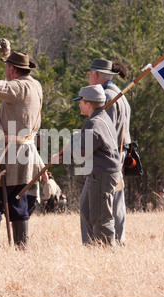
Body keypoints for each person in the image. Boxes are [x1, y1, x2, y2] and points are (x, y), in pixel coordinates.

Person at [0, 37, 43, 249]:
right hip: (25, 153)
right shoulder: (35, 85)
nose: (6, 71)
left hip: (10, 155)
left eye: (7, 67)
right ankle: (22, 251)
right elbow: (10, 82)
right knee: (18, 203)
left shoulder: (18, 89)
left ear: (13, 71)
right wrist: (6, 56)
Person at [85, 58, 131, 245]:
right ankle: (118, 242)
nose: (88, 76)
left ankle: (95, 244)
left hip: (107, 157)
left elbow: (103, 131)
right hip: (118, 154)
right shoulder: (119, 94)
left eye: (90, 73)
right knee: (115, 201)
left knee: (89, 204)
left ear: (97, 75)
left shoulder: (107, 97)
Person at [71, 84, 122, 246]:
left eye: (80, 101)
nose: (79, 104)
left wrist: (74, 139)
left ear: (88, 103)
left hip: (102, 175)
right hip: (100, 173)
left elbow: (81, 153)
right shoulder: (102, 119)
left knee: (101, 216)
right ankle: (94, 248)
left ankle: (106, 254)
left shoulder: (94, 124)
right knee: (87, 210)